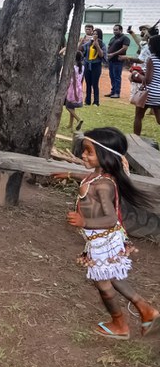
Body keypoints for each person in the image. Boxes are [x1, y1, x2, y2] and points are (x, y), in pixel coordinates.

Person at [52, 128, 159, 340]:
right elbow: (88, 180)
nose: (83, 155)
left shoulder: (104, 185)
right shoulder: (98, 176)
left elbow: (110, 218)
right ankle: (146, 310)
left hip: (103, 239)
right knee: (113, 278)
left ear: (105, 155)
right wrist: (71, 174)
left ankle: (120, 324)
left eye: (89, 152)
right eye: (84, 151)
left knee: (103, 283)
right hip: (102, 238)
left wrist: (84, 221)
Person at [133, 35, 160, 135]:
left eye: (150, 44)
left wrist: (136, 74)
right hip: (159, 94)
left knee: (138, 117)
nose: (148, 46)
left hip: (149, 93)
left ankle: (136, 138)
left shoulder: (151, 59)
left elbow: (147, 80)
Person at [79, 26, 105, 106]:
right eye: (93, 34)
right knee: (88, 83)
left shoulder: (102, 44)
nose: (94, 35)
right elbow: (80, 49)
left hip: (96, 65)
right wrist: (81, 42)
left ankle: (96, 102)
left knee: (95, 83)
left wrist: (97, 45)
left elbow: (101, 55)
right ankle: (87, 101)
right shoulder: (88, 44)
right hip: (87, 64)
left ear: (99, 35)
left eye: (96, 34)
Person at [105, 24, 130, 98]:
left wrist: (113, 54)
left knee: (117, 76)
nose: (115, 31)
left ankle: (117, 93)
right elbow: (109, 47)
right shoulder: (113, 38)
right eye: (114, 30)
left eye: (116, 30)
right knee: (112, 76)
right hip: (111, 60)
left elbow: (124, 48)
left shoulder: (125, 38)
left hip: (118, 60)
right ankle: (113, 91)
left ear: (121, 30)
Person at [65, 51, 85, 131]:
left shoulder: (73, 67)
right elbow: (81, 79)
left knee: (68, 106)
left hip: (72, 88)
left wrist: (75, 93)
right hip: (78, 87)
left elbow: (73, 81)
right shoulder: (82, 67)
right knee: (72, 106)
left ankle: (78, 119)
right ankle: (70, 124)